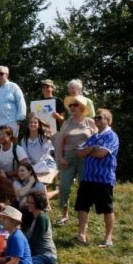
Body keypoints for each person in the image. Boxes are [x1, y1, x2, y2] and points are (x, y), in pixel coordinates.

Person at [74, 108, 119, 248]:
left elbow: (100, 154)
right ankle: (81, 234)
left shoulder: (112, 136)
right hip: (88, 177)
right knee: (82, 206)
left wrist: (90, 150)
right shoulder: (93, 137)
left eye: (99, 117)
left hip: (103, 179)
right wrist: (92, 148)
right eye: (95, 118)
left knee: (107, 208)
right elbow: (80, 153)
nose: (96, 120)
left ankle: (108, 238)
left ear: (107, 119)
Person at [54, 94, 97, 225]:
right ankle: (64, 215)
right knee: (64, 186)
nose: (72, 107)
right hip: (68, 158)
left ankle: (83, 217)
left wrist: (91, 154)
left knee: (84, 188)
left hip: (86, 159)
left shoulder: (90, 122)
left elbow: (96, 140)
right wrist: (60, 158)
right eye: (70, 105)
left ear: (82, 107)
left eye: (75, 105)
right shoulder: (66, 123)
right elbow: (60, 143)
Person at [0, 66, 27, 149]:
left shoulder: (13, 87)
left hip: (10, 122)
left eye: (1, 73)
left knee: (11, 149)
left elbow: (21, 102)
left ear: (7, 75)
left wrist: (20, 119)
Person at [25, 190, 60, 264]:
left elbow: (33, 241)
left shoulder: (41, 218)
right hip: (39, 255)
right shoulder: (36, 217)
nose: (28, 204)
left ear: (38, 204)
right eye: (28, 201)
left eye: (31, 202)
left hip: (47, 256)